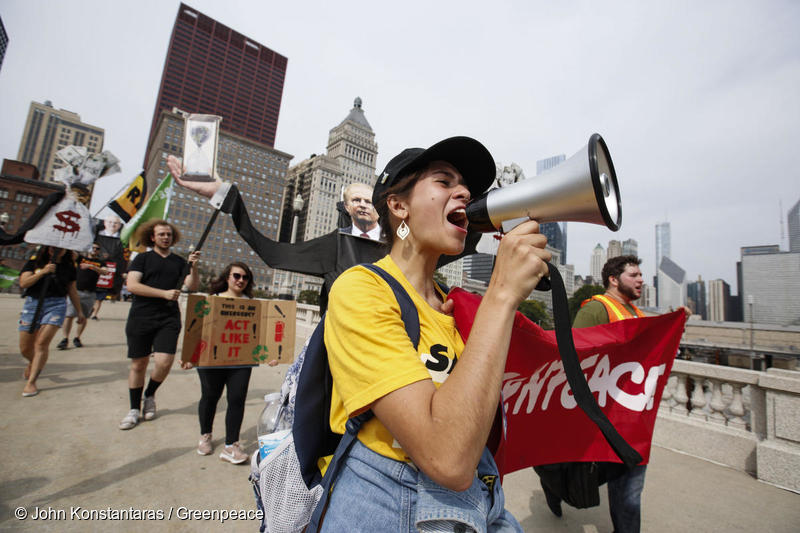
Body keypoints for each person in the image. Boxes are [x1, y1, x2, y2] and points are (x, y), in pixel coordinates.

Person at [319, 137, 551, 531]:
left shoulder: (453, 306)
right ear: (398, 206)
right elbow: (447, 459)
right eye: (444, 182)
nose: (464, 192)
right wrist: (503, 293)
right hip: (393, 504)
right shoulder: (360, 289)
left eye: (466, 188)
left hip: (484, 499)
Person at [166, 155, 483, 314]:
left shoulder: (413, 251)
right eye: (354, 200)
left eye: (367, 200)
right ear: (345, 208)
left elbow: (465, 240)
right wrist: (224, 195)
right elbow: (273, 253)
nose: (362, 205)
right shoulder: (336, 246)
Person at [542, 255, 687, 533]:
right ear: (613, 279)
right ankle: (553, 484)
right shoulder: (596, 310)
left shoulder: (637, 313)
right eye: (634, 274)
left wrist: (677, 323)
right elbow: (574, 358)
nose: (641, 279)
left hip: (631, 417)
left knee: (630, 488)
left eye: (640, 275)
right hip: (604, 415)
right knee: (583, 474)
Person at [119, 220, 200, 430]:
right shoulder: (142, 259)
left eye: (169, 235)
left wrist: (193, 266)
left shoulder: (179, 262)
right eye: (162, 234)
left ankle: (150, 394)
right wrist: (162, 293)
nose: (166, 237)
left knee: (164, 362)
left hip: (169, 318)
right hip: (141, 316)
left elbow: (192, 285)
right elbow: (132, 285)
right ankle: (133, 408)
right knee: (139, 364)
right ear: (152, 237)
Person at [180, 262, 262, 464]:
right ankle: (205, 435)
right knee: (210, 396)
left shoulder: (252, 305)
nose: (240, 280)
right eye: (236, 276)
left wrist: (271, 353)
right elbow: (197, 329)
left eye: (245, 277)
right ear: (227, 277)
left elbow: (259, 334)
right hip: (210, 360)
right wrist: (189, 356)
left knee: (237, 398)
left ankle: (231, 444)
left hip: (241, 361)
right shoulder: (212, 301)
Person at [18, 246, 86, 397]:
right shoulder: (35, 261)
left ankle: (32, 382)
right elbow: (23, 283)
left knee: (41, 343)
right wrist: (43, 272)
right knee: (25, 348)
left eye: (60, 248)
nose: (55, 250)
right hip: (33, 303)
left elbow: (72, 290)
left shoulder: (69, 266)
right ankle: (33, 362)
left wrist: (79, 311)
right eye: (52, 247)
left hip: (57, 304)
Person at [57, 244, 107, 349]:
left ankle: (77, 337)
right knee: (69, 315)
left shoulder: (100, 262)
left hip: (90, 293)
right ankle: (65, 338)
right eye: (92, 248)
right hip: (76, 291)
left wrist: (91, 266)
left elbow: (105, 271)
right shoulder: (81, 258)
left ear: (99, 251)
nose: (94, 250)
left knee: (83, 316)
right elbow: (70, 253)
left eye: (97, 248)